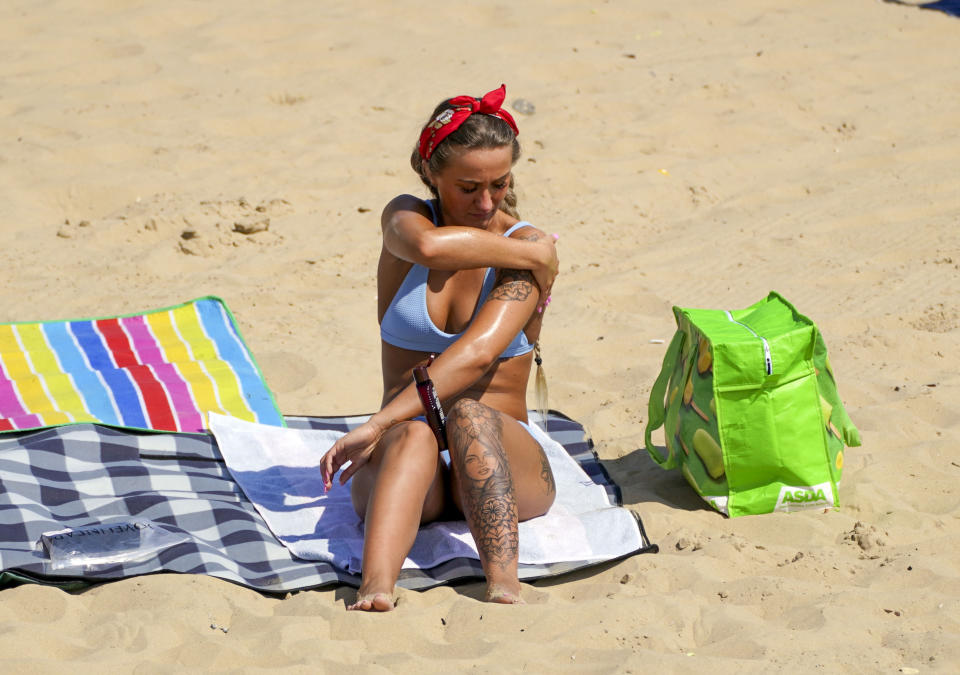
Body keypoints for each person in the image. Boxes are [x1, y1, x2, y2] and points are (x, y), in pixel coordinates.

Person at [320, 84, 559, 611]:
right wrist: (538, 256)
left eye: (500, 184)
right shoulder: (407, 219)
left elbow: (473, 356)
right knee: (412, 437)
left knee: (471, 415)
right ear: (431, 172)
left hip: (503, 454)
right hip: (414, 462)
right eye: (468, 187)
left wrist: (373, 423)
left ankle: (503, 587)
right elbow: (429, 247)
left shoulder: (525, 249)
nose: (487, 202)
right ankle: (376, 590)